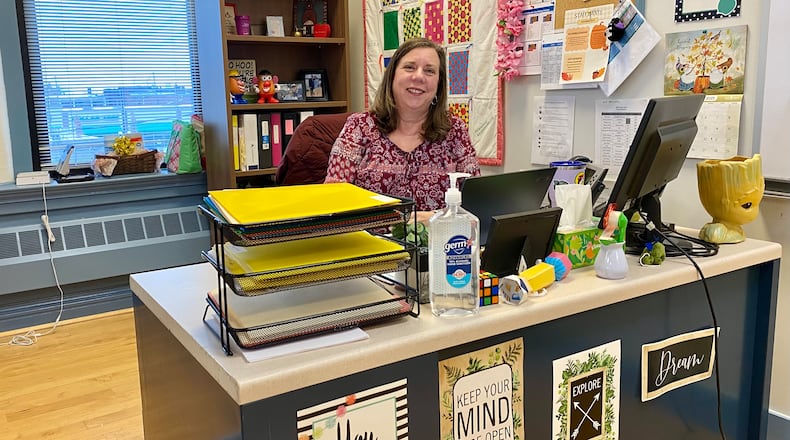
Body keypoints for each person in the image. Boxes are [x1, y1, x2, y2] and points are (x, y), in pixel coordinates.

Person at [325, 38, 480, 223]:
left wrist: (435, 219)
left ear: (439, 84)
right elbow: (333, 201)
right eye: (409, 67)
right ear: (392, 76)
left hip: (438, 246)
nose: (419, 76)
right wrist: (399, 221)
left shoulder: (455, 130)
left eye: (429, 71)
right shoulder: (359, 127)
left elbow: (476, 204)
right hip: (372, 246)